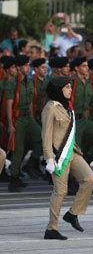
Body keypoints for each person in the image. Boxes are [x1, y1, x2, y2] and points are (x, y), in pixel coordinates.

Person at [41, 76, 93, 240]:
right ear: (58, 90)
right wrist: (49, 158)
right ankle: (51, 228)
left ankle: (73, 213)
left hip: (72, 152)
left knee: (89, 178)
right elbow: (46, 135)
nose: (70, 90)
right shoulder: (50, 108)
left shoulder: (66, 108)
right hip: (58, 156)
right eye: (67, 87)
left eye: (70, 87)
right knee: (61, 191)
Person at [5, 55, 43, 192]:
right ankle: (13, 179)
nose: (28, 68)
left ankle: (31, 162)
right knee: (18, 149)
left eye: (28, 65)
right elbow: (9, 105)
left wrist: (33, 118)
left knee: (42, 137)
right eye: (26, 65)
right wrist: (10, 124)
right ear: (19, 67)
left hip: (29, 118)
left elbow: (31, 102)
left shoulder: (29, 81)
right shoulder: (12, 82)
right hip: (18, 119)